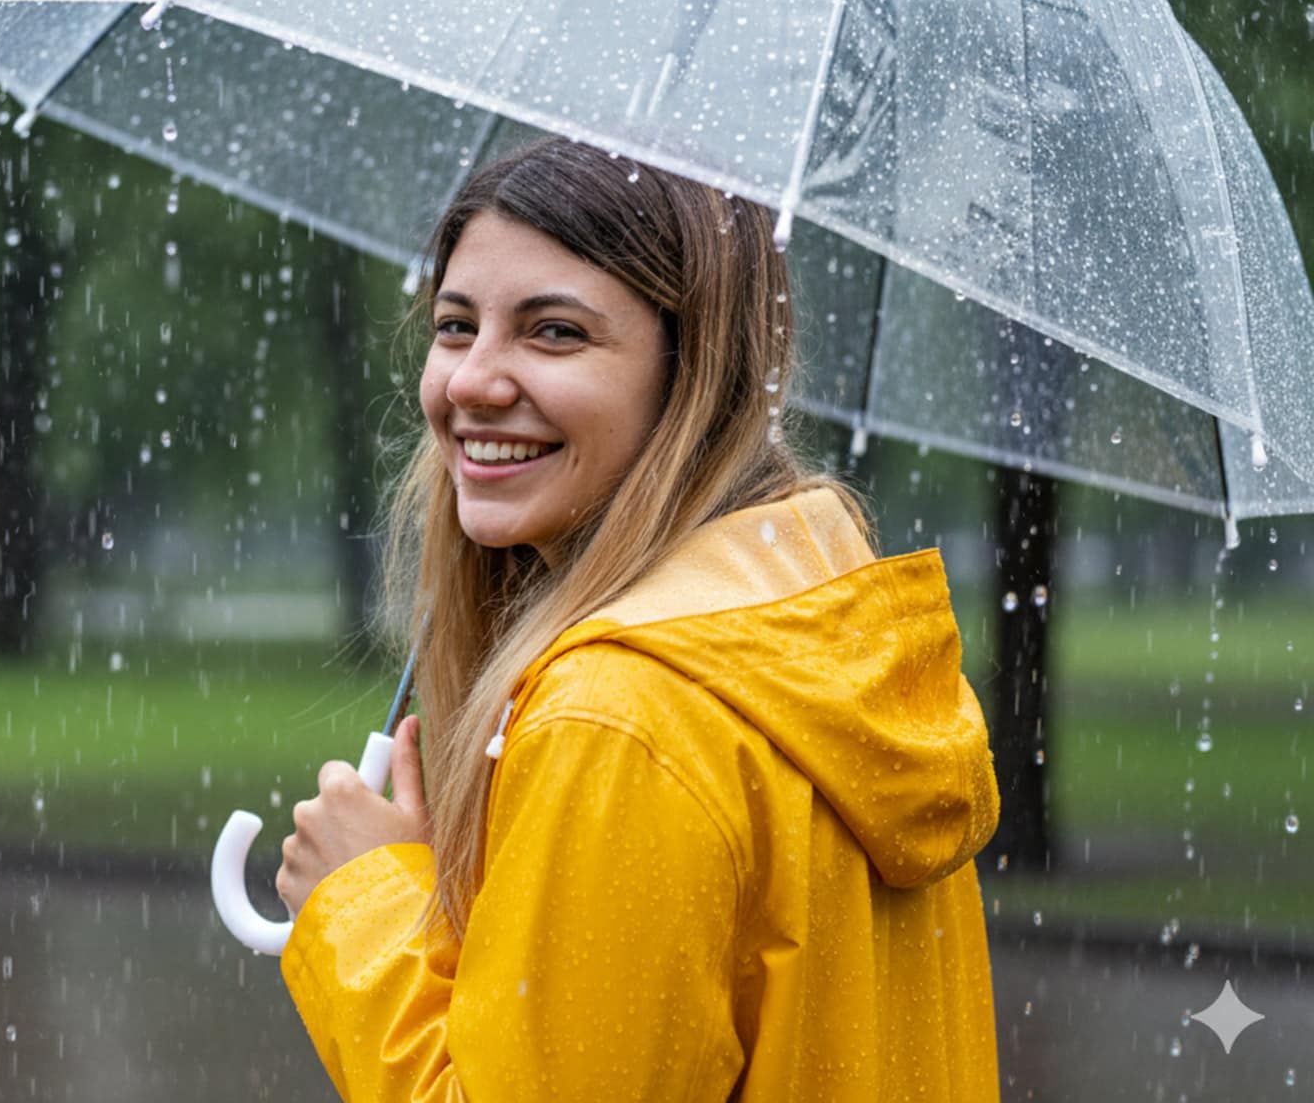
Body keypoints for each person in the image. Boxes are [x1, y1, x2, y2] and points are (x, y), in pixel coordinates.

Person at [273, 137, 1000, 1101]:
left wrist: (363, 903)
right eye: (456, 325)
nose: (471, 382)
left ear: (691, 375)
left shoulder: (620, 720)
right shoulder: (816, 645)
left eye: (555, 333)